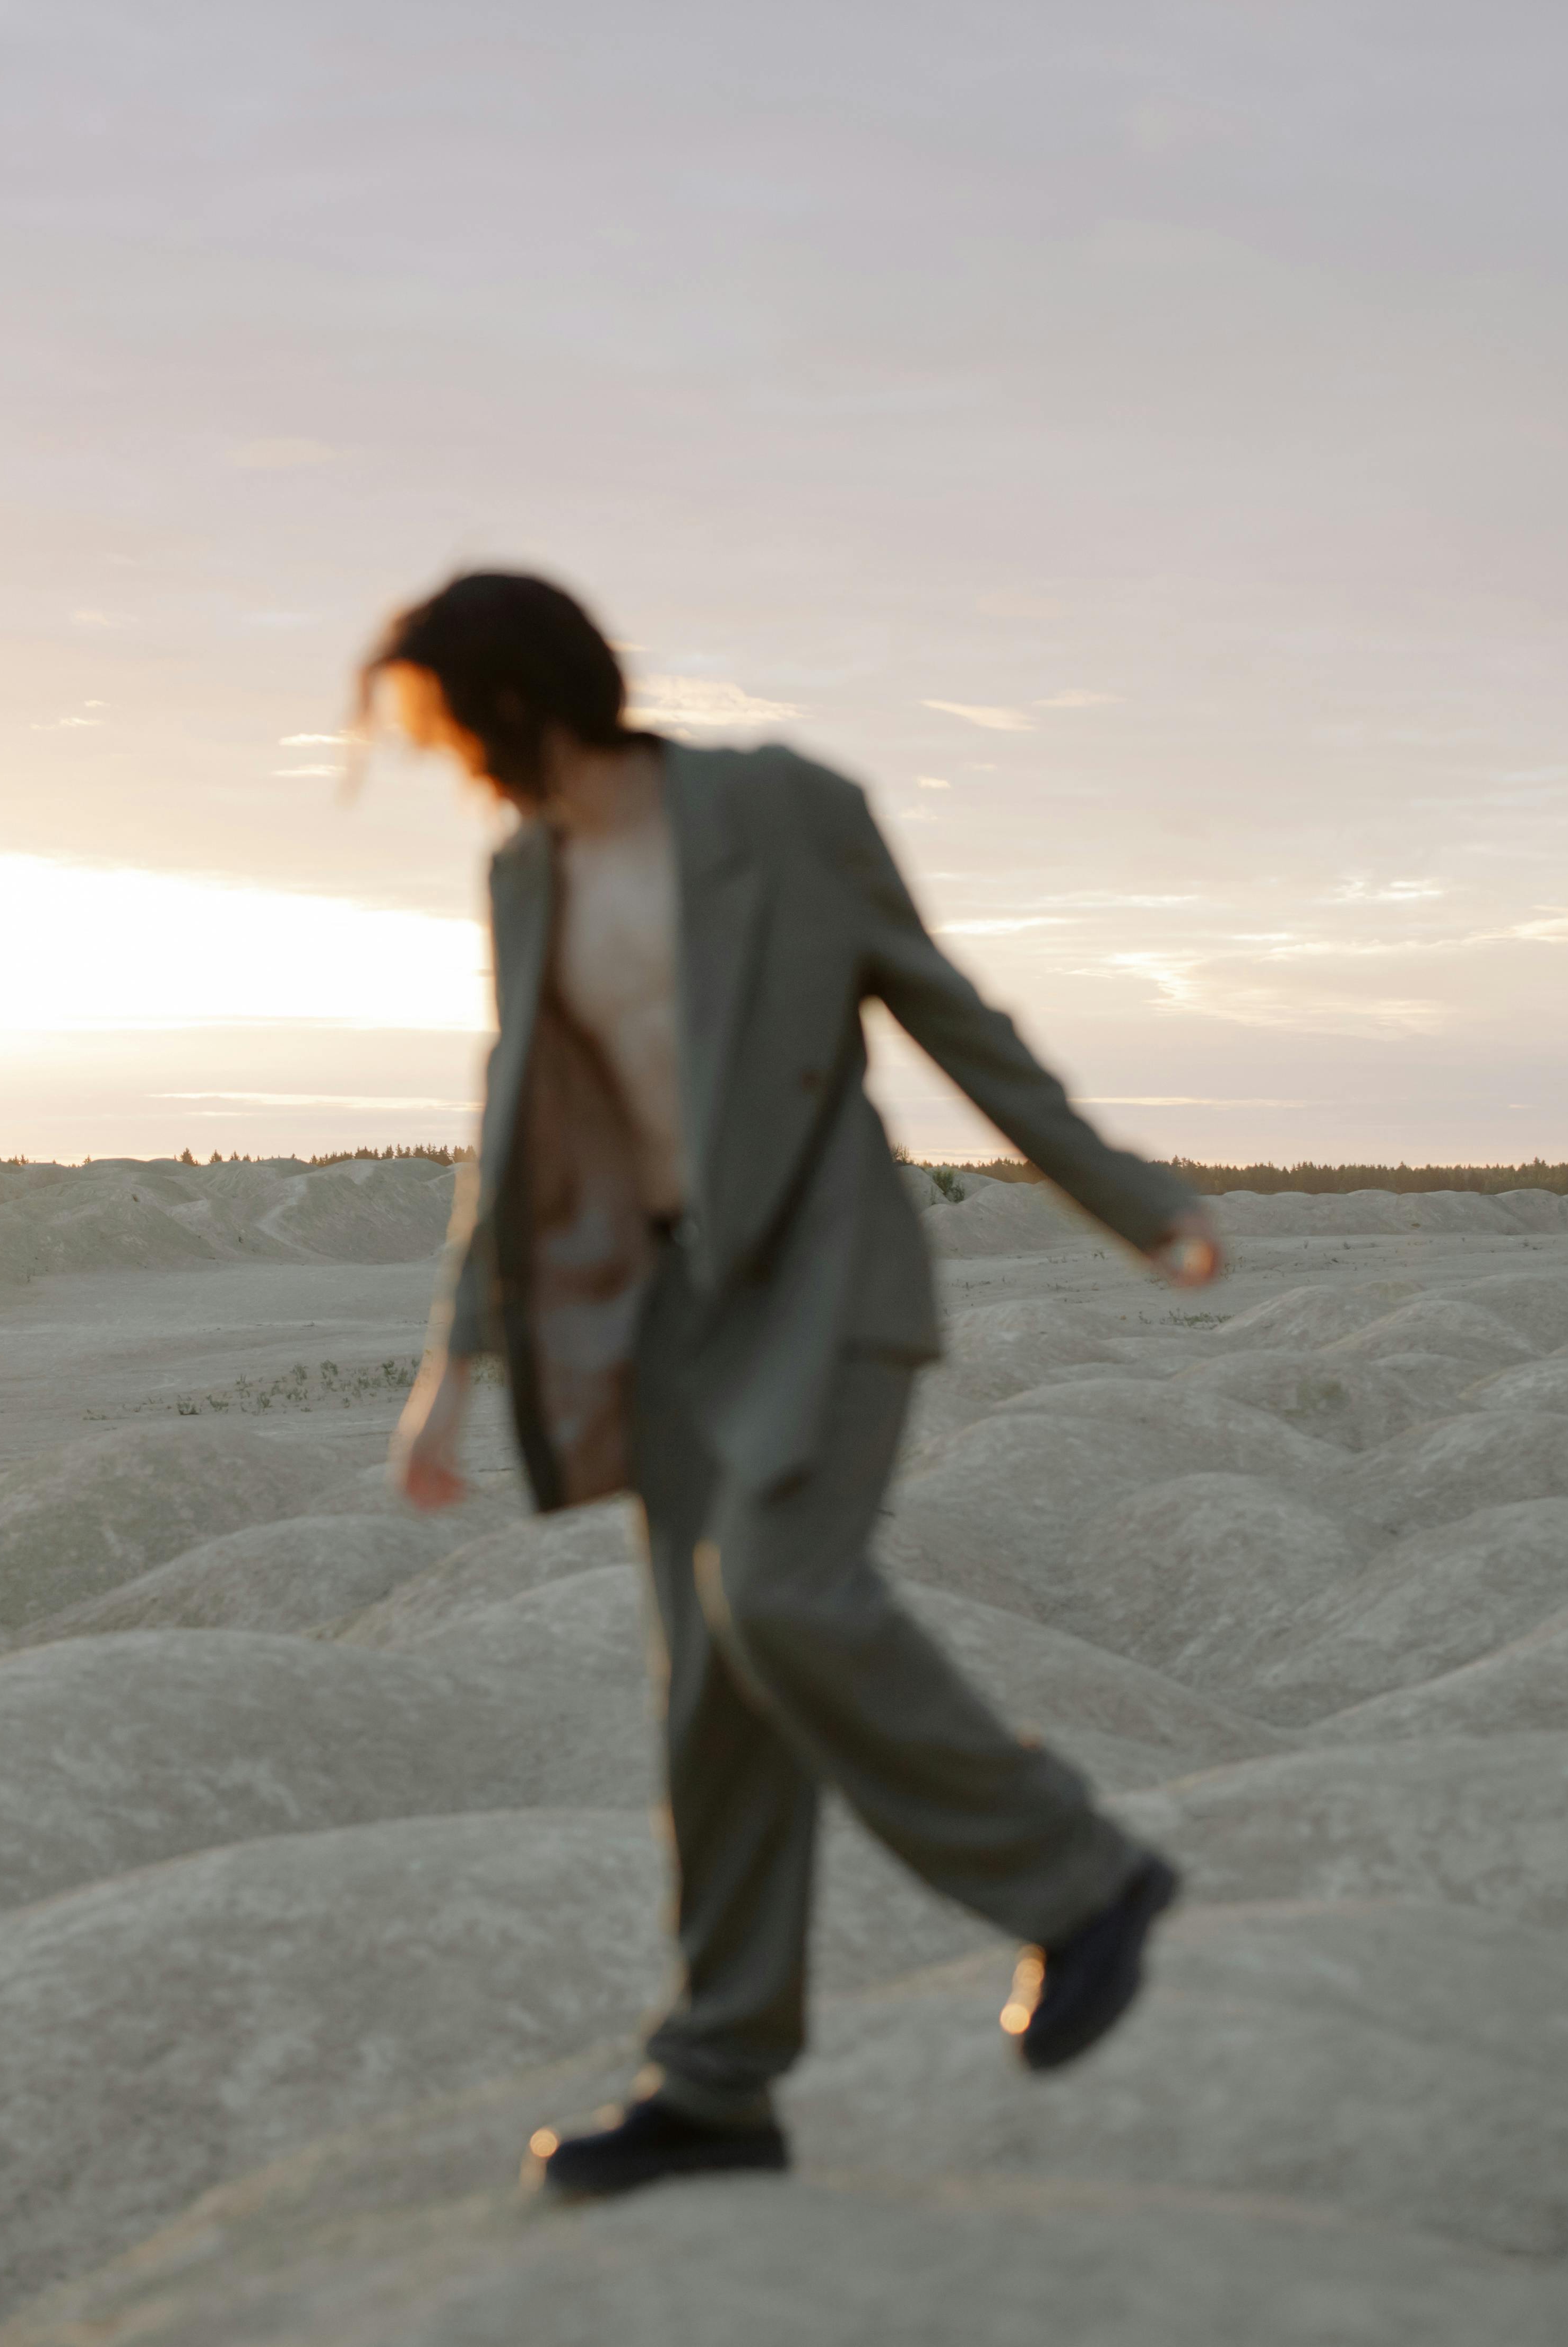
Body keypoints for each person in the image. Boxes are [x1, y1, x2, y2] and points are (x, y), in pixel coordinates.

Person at [371, 569, 1227, 2202]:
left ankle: (1081, 1880)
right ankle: (718, 2085)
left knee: (778, 1597)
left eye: (445, 720)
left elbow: (943, 1009)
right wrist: (450, 1366)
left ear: (517, 695)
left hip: (821, 1282)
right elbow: (517, 1123)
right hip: (661, 1314)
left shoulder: (779, 809)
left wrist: (1131, 1198)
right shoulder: (524, 876)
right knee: (709, 1703)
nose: (442, 756)